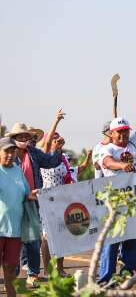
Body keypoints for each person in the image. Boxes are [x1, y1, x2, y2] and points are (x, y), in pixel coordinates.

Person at [97, 81, 136, 284]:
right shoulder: (106, 148)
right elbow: (107, 163)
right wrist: (122, 166)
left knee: (132, 236)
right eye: (119, 131)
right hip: (114, 200)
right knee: (112, 240)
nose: (123, 134)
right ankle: (105, 278)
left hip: (134, 198)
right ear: (111, 133)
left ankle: (128, 272)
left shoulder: (133, 142)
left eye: (125, 130)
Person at [6, 123, 62, 287]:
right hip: (12, 203)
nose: (24, 139)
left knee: (33, 240)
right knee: (13, 239)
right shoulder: (7, 154)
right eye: (20, 137)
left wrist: (57, 149)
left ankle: (33, 274)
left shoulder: (34, 153)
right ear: (13, 139)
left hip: (32, 201)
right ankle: (13, 273)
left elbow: (51, 161)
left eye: (26, 136)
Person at [40, 132, 91, 276]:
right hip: (47, 200)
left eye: (59, 139)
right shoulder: (44, 159)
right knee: (46, 237)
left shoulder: (63, 159)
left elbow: (73, 173)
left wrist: (88, 156)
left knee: (62, 235)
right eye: (54, 140)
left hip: (62, 201)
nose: (58, 142)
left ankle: (59, 268)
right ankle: (48, 271)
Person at [0, 137, 38, 297]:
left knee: (10, 270)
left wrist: (31, 195)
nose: (10, 154)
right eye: (6, 151)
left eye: (12, 151)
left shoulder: (17, 171)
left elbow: (24, 194)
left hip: (15, 231)